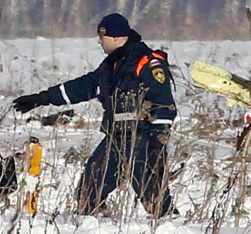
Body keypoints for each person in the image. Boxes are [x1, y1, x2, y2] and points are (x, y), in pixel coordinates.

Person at [12, 13, 178, 218]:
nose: (99, 41)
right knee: (89, 188)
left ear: (117, 37)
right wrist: (43, 98)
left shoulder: (147, 62)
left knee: (153, 195)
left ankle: (172, 228)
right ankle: (91, 226)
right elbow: (83, 86)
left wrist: (157, 144)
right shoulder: (111, 65)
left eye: (102, 37)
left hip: (142, 139)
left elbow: (164, 104)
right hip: (115, 139)